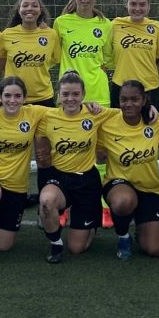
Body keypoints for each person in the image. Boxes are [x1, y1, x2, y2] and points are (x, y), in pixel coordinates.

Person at [53, 0, 114, 228]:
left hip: (98, 94)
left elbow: (109, 59)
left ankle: (105, 207)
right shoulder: (61, 23)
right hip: (68, 97)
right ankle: (64, 205)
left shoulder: (106, 24)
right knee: (67, 149)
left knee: (101, 152)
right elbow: (55, 55)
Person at [0, 76, 49, 265]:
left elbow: (66, 110)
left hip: (16, 186)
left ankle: (22, 201)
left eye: (17, 96)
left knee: (4, 245)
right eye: (7, 95)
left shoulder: (34, 113)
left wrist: (90, 106)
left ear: (24, 98)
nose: (12, 100)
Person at [36, 70, 110, 263]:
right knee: (46, 202)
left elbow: (127, 112)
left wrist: (152, 109)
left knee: (77, 248)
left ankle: (90, 224)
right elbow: (17, 110)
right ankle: (55, 243)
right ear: (58, 95)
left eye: (75, 94)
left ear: (83, 95)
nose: (70, 98)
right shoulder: (47, 117)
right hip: (59, 177)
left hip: (86, 180)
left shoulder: (95, 113)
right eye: (66, 94)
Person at [97, 80, 159, 260]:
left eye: (134, 99)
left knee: (154, 250)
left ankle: (142, 226)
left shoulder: (156, 120)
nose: (128, 104)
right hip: (119, 184)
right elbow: (83, 114)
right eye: (123, 99)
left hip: (150, 188)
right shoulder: (108, 121)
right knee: (123, 201)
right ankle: (123, 236)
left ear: (144, 100)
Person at [0, 0, 60, 107]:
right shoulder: (6, 35)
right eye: (25, 5)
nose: (29, 8)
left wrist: (37, 66)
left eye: (34, 5)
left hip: (44, 98)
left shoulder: (50, 34)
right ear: (19, 10)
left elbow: (55, 60)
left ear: (40, 10)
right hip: (14, 98)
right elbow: (1, 64)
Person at [110, 0, 159, 112]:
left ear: (149, 6)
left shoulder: (156, 28)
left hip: (149, 88)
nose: (137, 8)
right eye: (133, 4)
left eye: (142, 4)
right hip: (121, 87)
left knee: (152, 128)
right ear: (126, 5)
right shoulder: (115, 25)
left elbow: (156, 59)